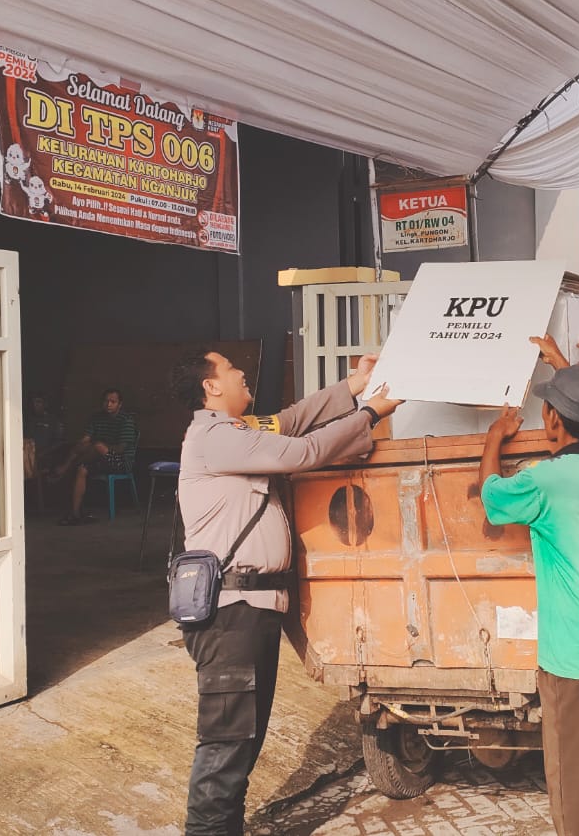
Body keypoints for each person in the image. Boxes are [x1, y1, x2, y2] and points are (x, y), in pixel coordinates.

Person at [168, 348, 402, 836]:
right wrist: (370, 414)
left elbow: (290, 421)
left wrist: (354, 385)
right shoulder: (214, 437)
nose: (240, 373)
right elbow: (304, 451)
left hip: (252, 610)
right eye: (230, 369)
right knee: (226, 743)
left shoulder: (241, 431)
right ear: (212, 387)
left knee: (242, 742)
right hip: (230, 613)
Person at [478, 335, 579, 836]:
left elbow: (491, 498)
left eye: (548, 409)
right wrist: (564, 365)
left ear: (552, 421)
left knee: (576, 793)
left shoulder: (546, 481)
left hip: (577, 660)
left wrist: (493, 439)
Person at [53, 388, 138, 525]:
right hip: (96, 458)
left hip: (120, 461)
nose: (108, 404)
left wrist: (102, 447)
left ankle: (65, 469)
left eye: (113, 402)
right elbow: (85, 439)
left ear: (119, 404)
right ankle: (75, 514)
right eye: (106, 401)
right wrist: (87, 445)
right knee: (82, 468)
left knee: (97, 446)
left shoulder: (126, 420)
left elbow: (122, 448)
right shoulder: (96, 418)